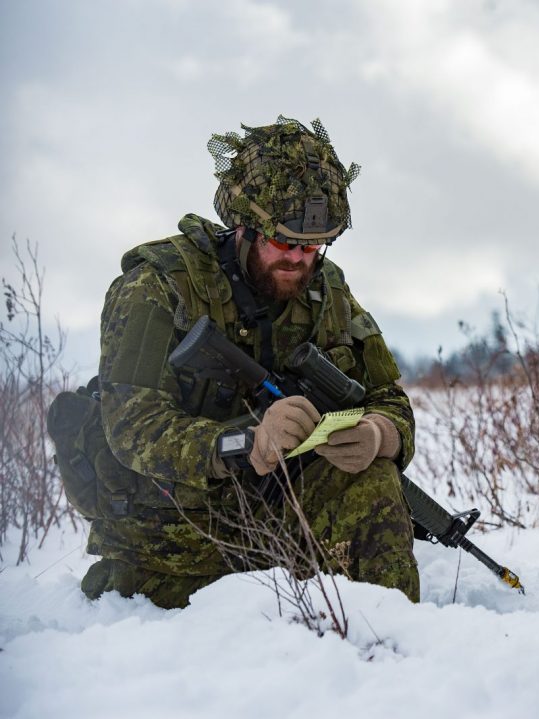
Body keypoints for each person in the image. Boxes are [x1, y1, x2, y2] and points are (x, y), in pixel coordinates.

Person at [80, 117, 420, 608]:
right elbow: (132, 428)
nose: (299, 260)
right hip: (176, 532)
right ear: (243, 227)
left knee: (372, 479)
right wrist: (245, 441)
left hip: (275, 510)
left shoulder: (326, 290)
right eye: (283, 242)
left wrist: (377, 435)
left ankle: (385, 651)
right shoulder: (157, 288)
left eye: (313, 246)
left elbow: (390, 399)